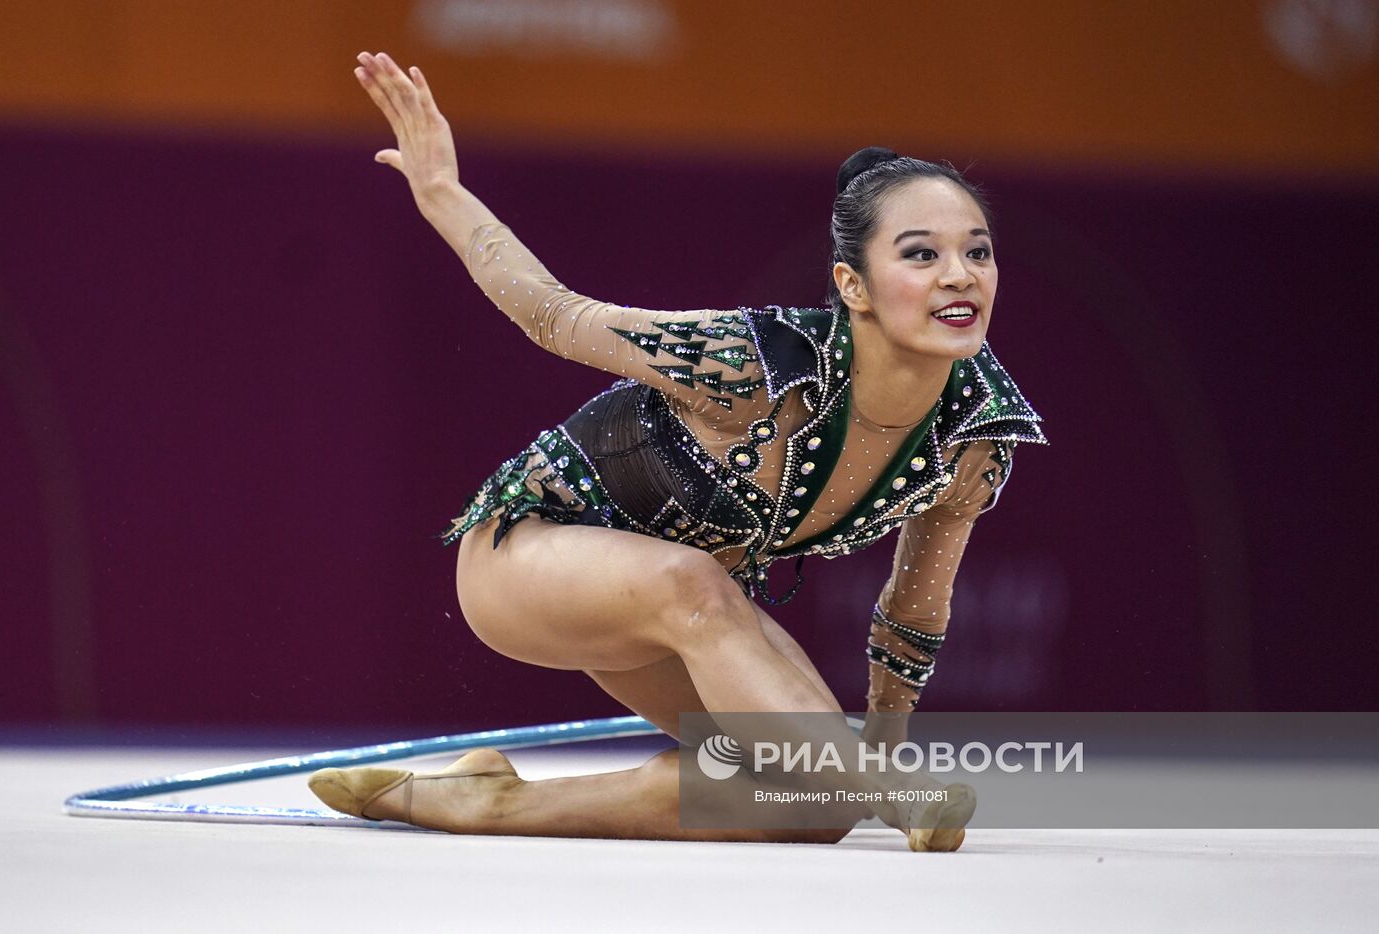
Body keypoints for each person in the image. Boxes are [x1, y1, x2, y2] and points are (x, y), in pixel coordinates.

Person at [309, 51, 1047, 850]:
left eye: (977, 251)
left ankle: (483, 802)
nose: (959, 276)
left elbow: (913, 608)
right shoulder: (751, 367)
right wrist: (443, 194)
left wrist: (878, 755)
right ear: (853, 286)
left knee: (810, 804)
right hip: (530, 558)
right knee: (701, 591)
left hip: (682, 608)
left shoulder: (974, 437)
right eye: (920, 254)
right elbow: (555, 316)